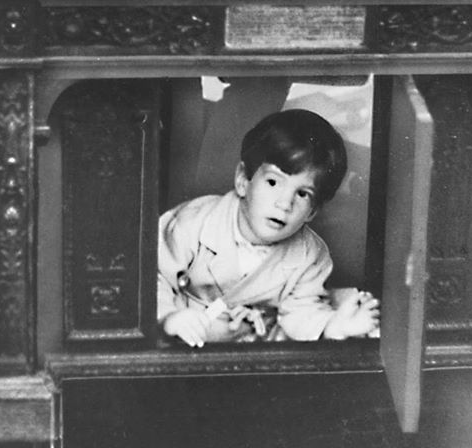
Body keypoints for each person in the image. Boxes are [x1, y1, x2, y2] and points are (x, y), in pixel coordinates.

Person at [158, 108, 380, 347]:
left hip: (255, 342)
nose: (284, 204)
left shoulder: (311, 254)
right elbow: (154, 278)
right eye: (273, 182)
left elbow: (301, 310)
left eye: (303, 194)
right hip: (187, 334)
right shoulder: (193, 223)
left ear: (313, 211)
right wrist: (168, 317)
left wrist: (332, 326)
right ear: (243, 180)